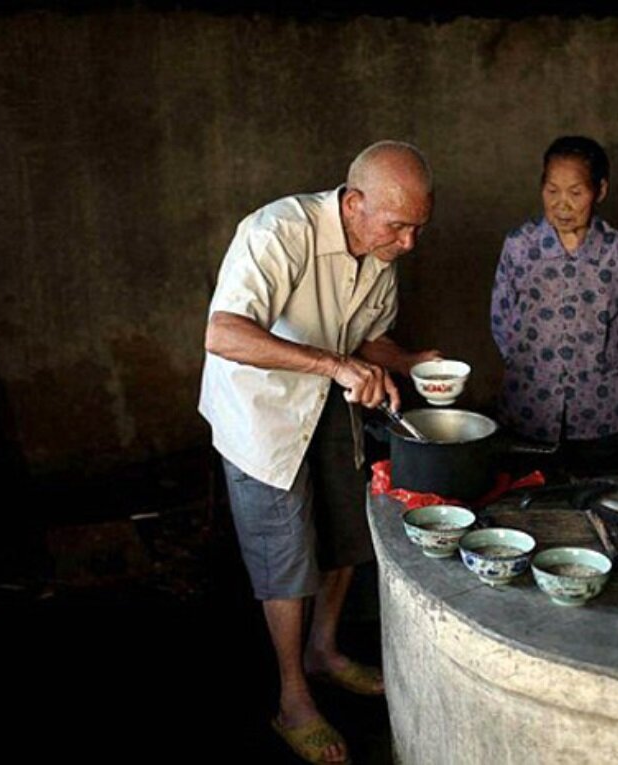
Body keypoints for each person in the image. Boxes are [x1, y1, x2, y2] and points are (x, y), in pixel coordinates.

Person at [199, 140, 440, 764]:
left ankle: (324, 651)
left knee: (344, 535)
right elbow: (223, 332)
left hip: (328, 402)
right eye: (398, 226)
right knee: (284, 556)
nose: (409, 243)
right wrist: (334, 364)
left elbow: (369, 339)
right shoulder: (278, 231)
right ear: (354, 203)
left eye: (418, 227)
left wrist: (410, 362)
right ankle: (292, 696)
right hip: (264, 415)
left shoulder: (382, 251)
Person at [490, 135, 618, 473]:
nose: (562, 205)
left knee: (601, 502)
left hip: (603, 409)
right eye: (552, 190)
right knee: (529, 505)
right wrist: (532, 369)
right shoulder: (519, 246)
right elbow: (501, 320)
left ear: (599, 191)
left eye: (576, 193)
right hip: (530, 405)